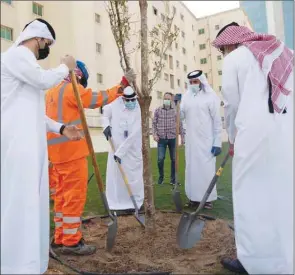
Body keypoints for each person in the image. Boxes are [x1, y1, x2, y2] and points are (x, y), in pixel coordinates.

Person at [1, 19, 81, 274]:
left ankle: (28, 260)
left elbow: (35, 111)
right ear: (37, 38)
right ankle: (14, 263)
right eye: (46, 43)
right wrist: (65, 67)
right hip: (16, 144)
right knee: (18, 200)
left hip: (29, 146)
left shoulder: (26, 64)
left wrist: (60, 128)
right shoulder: (15, 56)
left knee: (31, 201)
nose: (45, 48)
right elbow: (43, 80)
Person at [212, 22, 293, 274]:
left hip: (252, 137)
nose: (223, 53)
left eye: (223, 49)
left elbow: (232, 105)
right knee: (282, 194)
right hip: (284, 136)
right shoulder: (283, 52)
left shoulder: (235, 58)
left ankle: (251, 261)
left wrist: (233, 139)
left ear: (230, 43)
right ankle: (285, 258)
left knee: (248, 196)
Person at [46, 61, 136, 255]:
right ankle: (71, 242)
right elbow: (96, 99)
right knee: (73, 198)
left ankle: (60, 238)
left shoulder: (50, 93)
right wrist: (122, 85)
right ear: (78, 75)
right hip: (72, 153)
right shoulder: (71, 89)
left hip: (56, 156)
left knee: (61, 198)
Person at [180, 70, 222, 210]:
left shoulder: (211, 97)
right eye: (191, 82)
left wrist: (217, 142)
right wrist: (177, 106)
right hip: (191, 142)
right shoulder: (186, 97)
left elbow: (217, 121)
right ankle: (193, 198)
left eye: (195, 82)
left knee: (206, 171)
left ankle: (207, 199)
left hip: (206, 142)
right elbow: (181, 116)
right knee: (192, 170)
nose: (193, 84)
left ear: (201, 81)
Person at [102, 86, 144, 212]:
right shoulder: (115, 105)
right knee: (117, 177)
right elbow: (104, 113)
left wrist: (120, 153)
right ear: (123, 98)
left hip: (131, 150)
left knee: (133, 177)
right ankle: (117, 202)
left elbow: (134, 135)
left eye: (132, 100)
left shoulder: (139, 110)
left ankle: (134, 202)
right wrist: (106, 126)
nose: (130, 103)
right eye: (127, 100)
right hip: (116, 148)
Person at [152, 92, 185, 185]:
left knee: (174, 159)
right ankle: (161, 177)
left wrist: (182, 137)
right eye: (165, 99)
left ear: (171, 100)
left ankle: (173, 179)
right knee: (160, 159)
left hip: (172, 138)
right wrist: (154, 134)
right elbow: (154, 124)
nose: (166, 100)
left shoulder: (175, 111)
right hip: (161, 138)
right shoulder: (158, 110)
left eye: (168, 99)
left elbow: (180, 125)